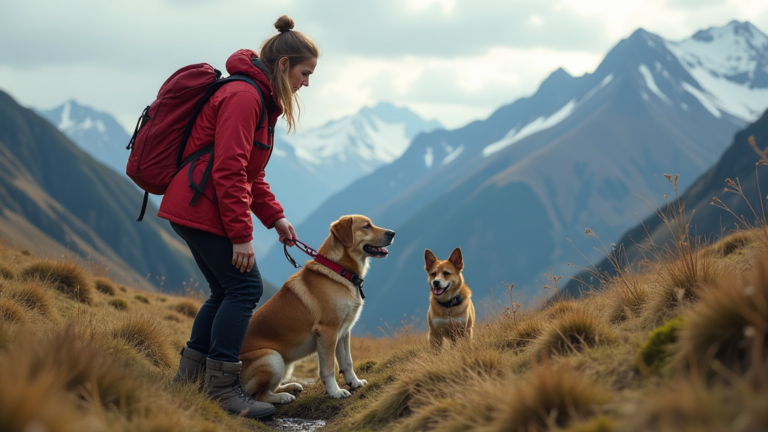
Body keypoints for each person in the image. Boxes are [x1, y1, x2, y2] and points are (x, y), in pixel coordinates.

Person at [157, 15, 319, 419]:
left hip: (200, 203)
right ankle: (223, 390)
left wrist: (275, 218)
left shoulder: (260, 98)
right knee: (244, 290)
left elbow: (251, 173)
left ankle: (191, 381)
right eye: (305, 72)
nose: (307, 83)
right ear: (284, 66)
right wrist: (242, 235)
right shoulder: (246, 97)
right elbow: (228, 171)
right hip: (202, 206)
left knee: (225, 290)